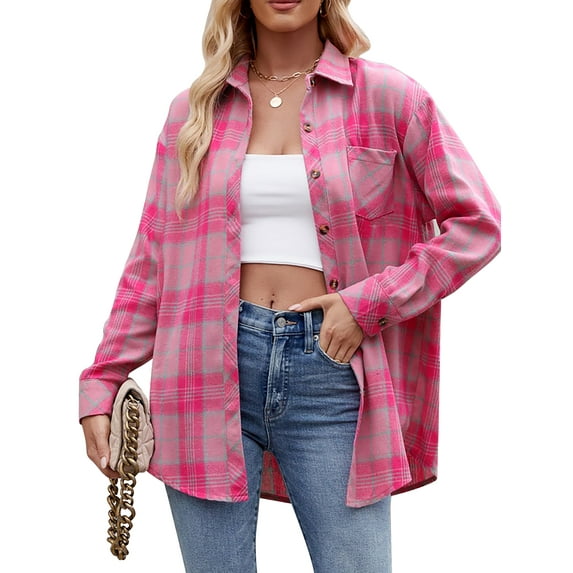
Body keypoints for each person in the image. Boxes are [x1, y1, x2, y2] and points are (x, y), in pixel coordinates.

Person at [79, 0, 501, 571]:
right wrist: (102, 378)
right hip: (202, 372)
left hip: (332, 371)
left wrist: (368, 304)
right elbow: (151, 258)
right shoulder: (193, 111)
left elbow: (476, 225)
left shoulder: (389, 98)